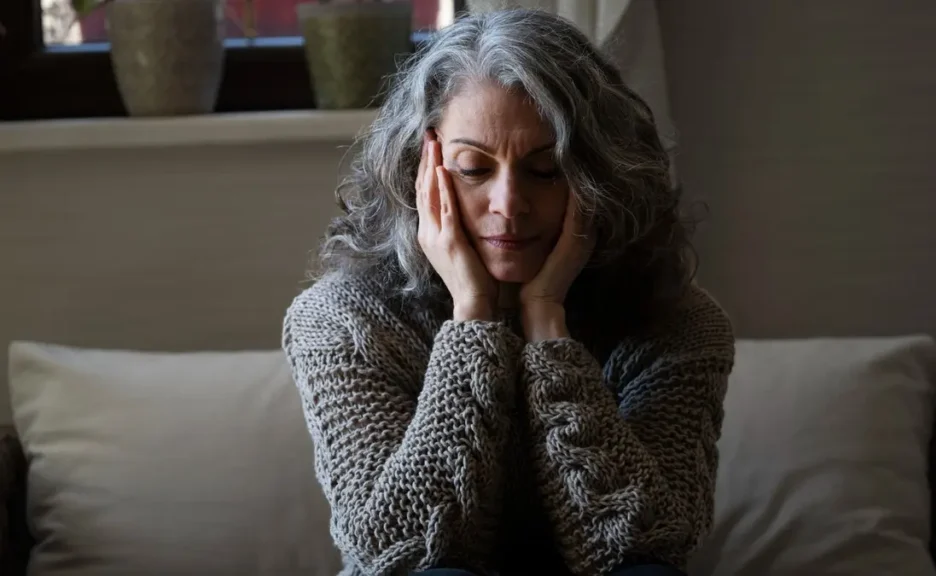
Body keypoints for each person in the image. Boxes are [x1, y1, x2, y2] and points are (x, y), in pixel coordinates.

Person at [282, 8, 735, 576]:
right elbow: (395, 550)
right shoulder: (341, 321)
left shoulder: (678, 323)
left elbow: (647, 540)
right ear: (420, 172)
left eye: (545, 171)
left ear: (601, 174)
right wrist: (472, 322)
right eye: (473, 168)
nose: (509, 204)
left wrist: (547, 326)